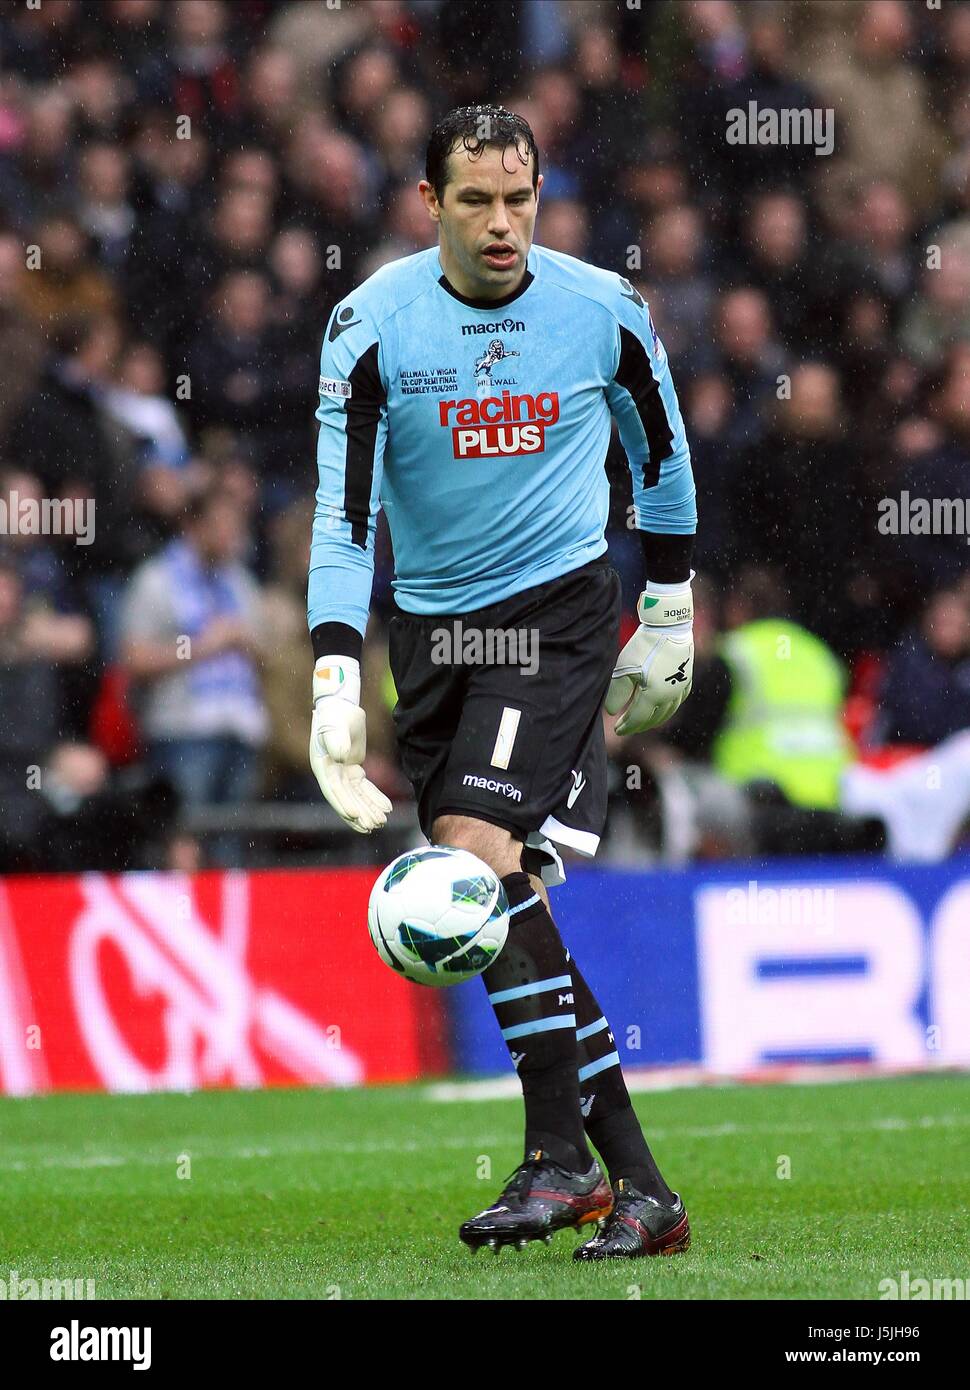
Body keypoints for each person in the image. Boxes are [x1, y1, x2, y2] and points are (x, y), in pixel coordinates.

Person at [306, 107, 696, 1260]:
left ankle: (558, 1157)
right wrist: (336, 668)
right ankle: (637, 1186)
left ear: (541, 194)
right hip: (430, 640)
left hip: (553, 617)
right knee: (501, 894)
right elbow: (342, 514)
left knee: (470, 854)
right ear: (429, 203)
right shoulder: (369, 327)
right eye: (473, 200)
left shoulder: (601, 312)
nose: (500, 223)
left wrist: (667, 607)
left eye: (518, 198)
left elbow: (663, 462)